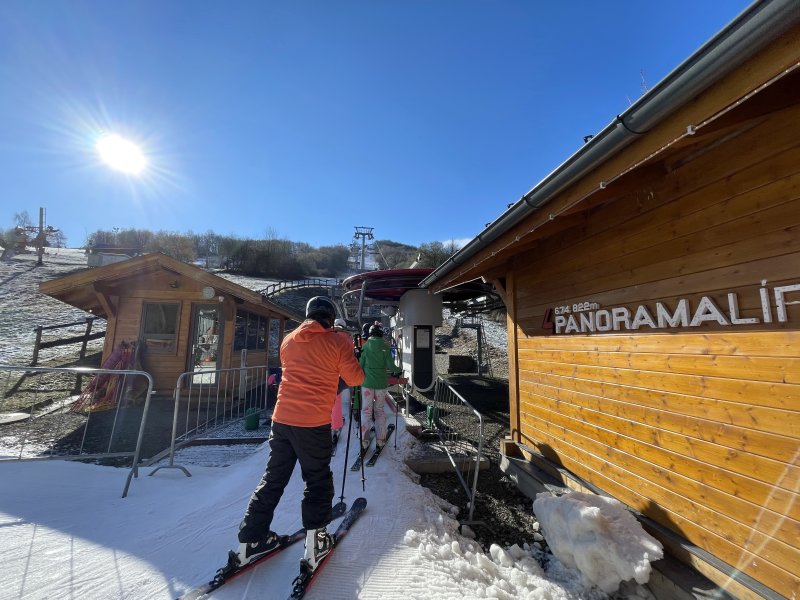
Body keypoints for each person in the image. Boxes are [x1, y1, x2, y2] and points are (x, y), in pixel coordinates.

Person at [236, 297, 364, 571]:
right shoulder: (338, 341)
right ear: (330, 318)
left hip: (281, 419)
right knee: (317, 480)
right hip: (312, 423)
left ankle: (251, 541)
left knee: (273, 478)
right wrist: (349, 349)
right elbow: (356, 379)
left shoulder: (289, 340)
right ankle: (316, 543)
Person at [358, 324, 401, 452]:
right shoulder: (385, 347)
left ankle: (364, 440)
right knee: (379, 411)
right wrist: (398, 370)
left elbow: (360, 365)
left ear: (370, 334)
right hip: (381, 384)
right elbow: (391, 366)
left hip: (367, 384)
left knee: (366, 411)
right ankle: (380, 439)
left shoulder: (365, 347)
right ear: (381, 334)